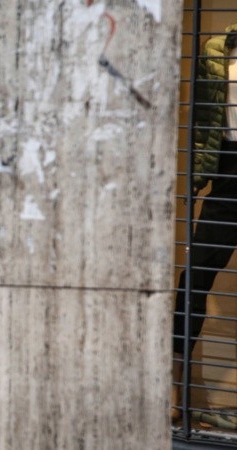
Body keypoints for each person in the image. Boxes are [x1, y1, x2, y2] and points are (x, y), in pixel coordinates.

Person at [172, 22, 237, 420]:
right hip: (229, 170)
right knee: (196, 277)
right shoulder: (216, 48)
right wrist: (198, 177)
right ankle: (176, 387)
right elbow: (204, 121)